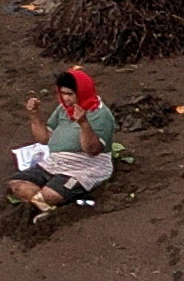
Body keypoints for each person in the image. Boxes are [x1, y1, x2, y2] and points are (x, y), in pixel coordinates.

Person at [11, 70, 117, 215]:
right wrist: (34, 115)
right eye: (62, 93)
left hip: (85, 166)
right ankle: (44, 207)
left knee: (50, 195)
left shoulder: (100, 115)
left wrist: (84, 123)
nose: (65, 98)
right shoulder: (63, 109)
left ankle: (44, 203)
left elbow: (92, 150)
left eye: (70, 94)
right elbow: (44, 138)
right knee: (17, 185)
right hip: (56, 161)